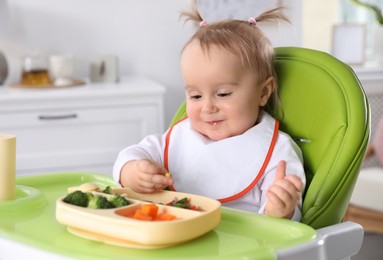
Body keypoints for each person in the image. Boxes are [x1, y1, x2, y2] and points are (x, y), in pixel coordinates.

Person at [113, 5, 305, 221]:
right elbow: (131, 154)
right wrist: (131, 172)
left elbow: (288, 222)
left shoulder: (277, 152)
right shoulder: (180, 137)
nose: (207, 107)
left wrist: (281, 210)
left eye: (223, 94)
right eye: (195, 96)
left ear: (263, 92)